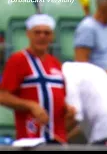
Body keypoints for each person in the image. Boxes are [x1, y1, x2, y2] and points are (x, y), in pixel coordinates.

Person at [0, 14, 75, 143]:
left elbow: (59, 99)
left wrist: (68, 110)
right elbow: (3, 96)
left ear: (52, 36)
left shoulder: (56, 63)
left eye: (46, 33)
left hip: (57, 139)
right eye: (37, 32)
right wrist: (30, 105)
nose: (42, 36)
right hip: (30, 139)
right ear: (28, 34)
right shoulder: (18, 60)